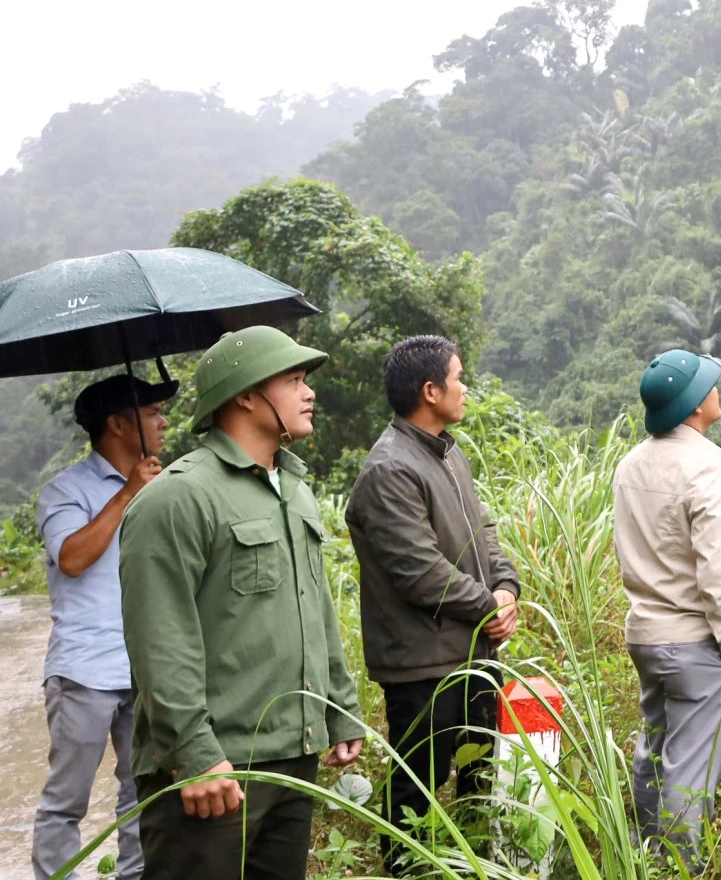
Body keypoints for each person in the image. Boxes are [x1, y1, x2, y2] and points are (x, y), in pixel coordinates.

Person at [118, 325, 365, 880]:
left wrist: (339, 708)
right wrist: (195, 754)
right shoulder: (178, 499)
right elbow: (161, 640)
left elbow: (316, 606)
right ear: (246, 394)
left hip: (290, 758)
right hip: (214, 770)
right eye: (294, 379)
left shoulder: (294, 490)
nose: (310, 393)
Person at [345, 335, 519, 869]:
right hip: (423, 666)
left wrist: (507, 587)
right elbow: (420, 573)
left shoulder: (446, 451)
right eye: (459, 377)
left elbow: (483, 535)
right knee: (415, 799)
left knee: (478, 786)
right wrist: (488, 606)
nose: (465, 388)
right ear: (430, 390)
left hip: (470, 655)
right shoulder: (390, 469)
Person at [31, 374, 174, 880]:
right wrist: (128, 492)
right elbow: (71, 557)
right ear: (117, 424)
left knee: (142, 793)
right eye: (152, 411)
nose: (163, 421)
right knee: (66, 801)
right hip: (84, 672)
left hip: (144, 668)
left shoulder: (161, 484)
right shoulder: (65, 490)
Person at [613, 349, 721, 871]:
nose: (717, 389)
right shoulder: (706, 470)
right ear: (695, 406)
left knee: (656, 748)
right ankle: (678, 867)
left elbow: (648, 535)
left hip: (646, 632)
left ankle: (645, 858)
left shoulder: (633, 463)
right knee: (690, 769)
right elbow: (717, 574)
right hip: (695, 642)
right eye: (710, 385)